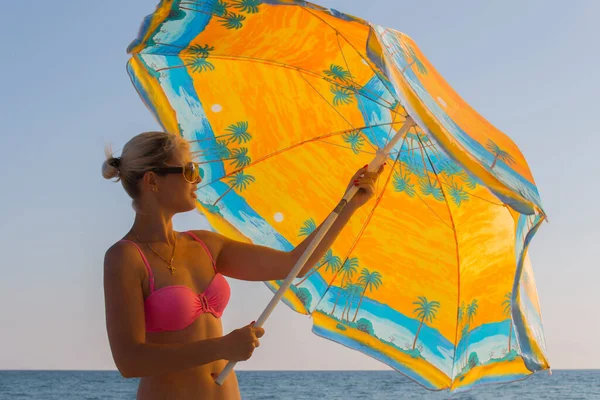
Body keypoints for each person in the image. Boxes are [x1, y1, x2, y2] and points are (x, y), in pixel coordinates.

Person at [102, 131, 384, 399]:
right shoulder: (125, 257)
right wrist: (222, 347)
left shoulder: (206, 245)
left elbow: (293, 264)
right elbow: (130, 361)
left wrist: (349, 203)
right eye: (189, 171)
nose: (197, 179)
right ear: (152, 181)